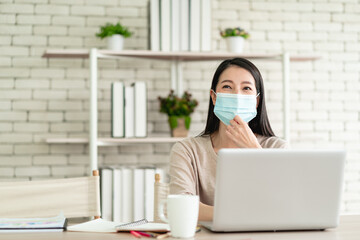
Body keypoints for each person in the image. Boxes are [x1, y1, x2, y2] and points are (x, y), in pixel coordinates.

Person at [169, 58, 287, 221]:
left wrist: (255, 151)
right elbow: (181, 207)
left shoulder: (277, 148)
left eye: (246, 88)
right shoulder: (187, 150)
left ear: (256, 101)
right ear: (214, 97)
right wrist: (243, 215)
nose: (237, 95)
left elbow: (284, 203)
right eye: (227, 87)